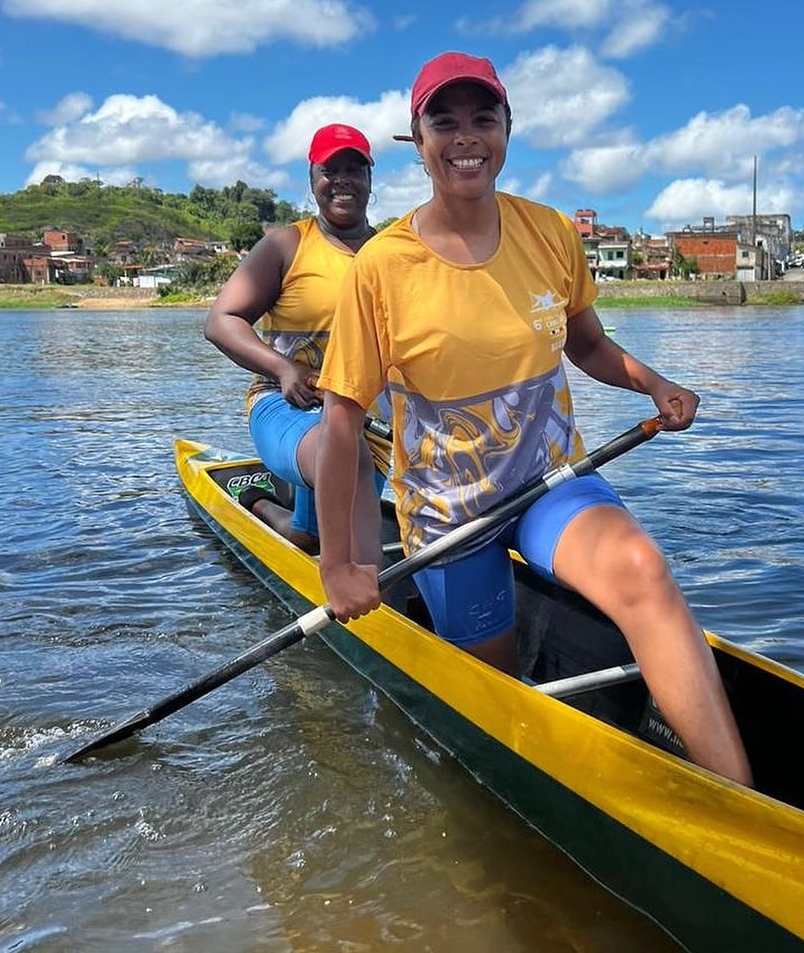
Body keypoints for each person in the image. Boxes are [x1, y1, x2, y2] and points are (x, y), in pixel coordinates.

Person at [313, 54, 751, 785]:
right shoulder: (381, 267)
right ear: (417, 142)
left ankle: (745, 804)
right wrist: (338, 565)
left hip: (550, 482)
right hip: (450, 513)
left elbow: (588, 346)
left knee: (644, 572)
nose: (465, 138)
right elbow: (340, 422)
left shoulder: (549, 233)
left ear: (507, 130)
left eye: (483, 119)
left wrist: (654, 382)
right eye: (442, 122)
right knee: (499, 694)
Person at [204, 123, 388, 559]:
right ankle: (365, 579)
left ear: (369, 181)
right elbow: (221, 321)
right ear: (312, 179)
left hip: (372, 422)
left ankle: (259, 500)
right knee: (344, 453)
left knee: (309, 539)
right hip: (289, 408)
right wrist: (284, 368)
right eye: (330, 169)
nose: (342, 179)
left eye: (354, 169)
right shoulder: (286, 245)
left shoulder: (391, 254)